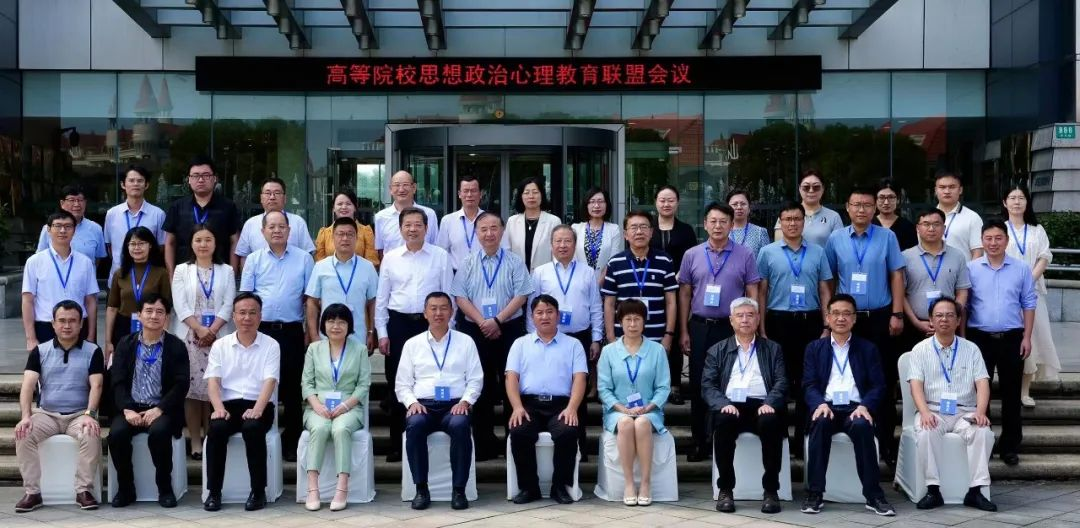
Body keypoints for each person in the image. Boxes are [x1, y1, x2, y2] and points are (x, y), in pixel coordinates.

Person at [825, 186, 906, 464]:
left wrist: (897, 313)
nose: (862, 210)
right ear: (847, 208)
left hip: (880, 317)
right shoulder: (836, 238)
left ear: (875, 208)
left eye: (867, 205)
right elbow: (829, 279)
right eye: (856, 205)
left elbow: (897, 276)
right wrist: (830, 316)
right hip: (845, 320)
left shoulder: (887, 237)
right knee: (847, 376)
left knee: (882, 379)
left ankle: (886, 443)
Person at [678, 203, 761, 462]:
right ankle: (699, 441)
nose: (718, 226)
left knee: (728, 383)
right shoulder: (692, 254)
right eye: (713, 221)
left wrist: (754, 327)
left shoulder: (745, 254)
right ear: (705, 224)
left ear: (731, 224)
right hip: (700, 326)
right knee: (699, 384)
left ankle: (722, 440)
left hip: (731, 328)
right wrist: (684, 329)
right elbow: (684, 294)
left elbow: (753, 291)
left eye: (723, 221)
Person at [801, 294, 894, 516]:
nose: (841, 318)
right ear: (827, 317)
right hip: (827, 407)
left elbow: (878, 385)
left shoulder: (867, 348)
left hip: (856, 408)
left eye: (846, 314)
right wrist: (819, 404)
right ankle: (815, 494)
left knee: (862, 427)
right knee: (820, 424)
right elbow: (809, 384)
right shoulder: (815, 348)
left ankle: (874, 496)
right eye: (836, 313)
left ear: (854, 319)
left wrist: (865, 406)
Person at [450, 212, 533, 457]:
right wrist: (483, 322)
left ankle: (512, 442)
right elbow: (460, 296)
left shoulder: (515, 261)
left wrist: (497, 320)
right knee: (480, 385)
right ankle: (483, 444)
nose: (489, 233)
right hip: (476, 330)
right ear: (476, 233)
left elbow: (522, 295)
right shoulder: (467, 262)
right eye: (483, 229)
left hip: (509, 329)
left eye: (494, 228)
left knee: (511, 383)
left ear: (502, 231)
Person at [375, 207, 454, 462]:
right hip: (399, 324)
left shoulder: (440, 256)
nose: (413, 229)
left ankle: (430, 436)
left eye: (418, 225)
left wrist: (450, 329)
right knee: (398, 382)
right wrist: (382, 332)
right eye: (407, 225)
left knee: (432, 376)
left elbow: (448, 294)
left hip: (431, 323)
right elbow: (382, 299)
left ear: (426, 228)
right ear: (400, 229)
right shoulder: (391, 258)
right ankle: (397, 443)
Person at [757, 200, 832, 459]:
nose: (792, 223)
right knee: (778, 383)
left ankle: (802, 440)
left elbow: (825, 290)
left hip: (810, 321)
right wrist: (761, 328)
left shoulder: (818, 252)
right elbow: (762, 292)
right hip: (778, 322)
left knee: (807, 382)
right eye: (787, 219)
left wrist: (826, 324)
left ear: (804, 222)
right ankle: (779, 440)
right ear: (780, 222)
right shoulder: (767, 252)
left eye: (797, 219)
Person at [907, 296, 997, 512]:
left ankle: (976, 491)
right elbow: (915, 386)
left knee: (982, 432)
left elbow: (983, 383)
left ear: (958, 320)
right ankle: (933, 490)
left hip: (965, 412)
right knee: (927, 431)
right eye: (939, 315)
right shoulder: (920, 349)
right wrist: (924, 412)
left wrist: (980, 412)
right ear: (931, 320)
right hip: (933, 410)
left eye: (950, 315)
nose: (944, 319)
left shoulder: (971, 349)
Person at [14, 301, 104, 513]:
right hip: (46, 414)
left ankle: (83, 490)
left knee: (91, 433)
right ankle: (32, 492)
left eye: (72, 321)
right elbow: (27, 386)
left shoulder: (93, 351)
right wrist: (26, 416)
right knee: (23, 433)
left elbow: (97, 385)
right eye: (61, 321)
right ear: (53, 324)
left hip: (79, 415)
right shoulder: (40, 351)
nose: (67, 325)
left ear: (81, 324)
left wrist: (90, 414)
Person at [397, 292, 483, 511]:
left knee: (461, 426)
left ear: (452, 312)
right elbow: (402, 384)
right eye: (433, 308)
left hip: (455, 405)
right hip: (423, 405)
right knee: (414, 425)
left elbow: (475, 379)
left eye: (444, 308)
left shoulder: (465, 342)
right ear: (425, 313)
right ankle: (421, 489)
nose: (438, 313)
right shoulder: (412, 344)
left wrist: (465, 402)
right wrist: (411, 403)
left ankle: (459, 490)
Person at [238, 210, 314, 460]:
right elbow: (246, 297)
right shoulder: (254, 260)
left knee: (292, 388)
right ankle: (260, 434)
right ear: (263, 232)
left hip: (292, 331)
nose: (277, 230)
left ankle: (292, 441)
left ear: (289, 230)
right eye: (271, 227)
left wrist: (309, 331)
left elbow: (310, 299)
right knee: (261, 384)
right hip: (262, 331)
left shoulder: (304, 259)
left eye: (282, 226)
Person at [702, 297, 787, 515]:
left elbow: (781, 381)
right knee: (723, 421)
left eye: (750, 315)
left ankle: (771, 490)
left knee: (771, 422)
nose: (745, 320)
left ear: (758, 319)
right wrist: (722, 403)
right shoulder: (717, 350)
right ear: (731, 320)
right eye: (739, 316)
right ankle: (726, 489)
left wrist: (770, 403)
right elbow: (708, 385)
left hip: (762, 405)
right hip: (730, 406)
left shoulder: (773, 349)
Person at [530, 224, 604, 461]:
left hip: (579, 337)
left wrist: (596, 338)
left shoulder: (587, 272)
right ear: (551, 245)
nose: (563, 245)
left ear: (575, 244)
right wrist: (532, 338)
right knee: (554, 387)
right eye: (558, 241)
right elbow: (532, 307)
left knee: (578, 392)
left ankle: (580, 446)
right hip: (547, 338)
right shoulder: (540, 272)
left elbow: (596, 307)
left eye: (567, 241)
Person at [966, 219, 1036, 467]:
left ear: (1006, 240)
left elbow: (1029, 303)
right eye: (988, 238)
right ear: (982, 241)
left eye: (998, 238)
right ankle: (982, 441)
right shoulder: (971, 268)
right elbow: (964, 305)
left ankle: (1010, 446)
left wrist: (1027, 337)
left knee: (1011, 393)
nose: (993, 243)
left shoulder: (1021, 268)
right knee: (979, 393)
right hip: (979, 338)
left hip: (1012, 337)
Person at [108, 294, 189, 508]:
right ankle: (126, 489)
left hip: (162, 409)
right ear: (139, 315)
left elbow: (181, 384)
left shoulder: (176, 346)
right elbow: (117, 380)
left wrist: (160, 409)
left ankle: (165, 488)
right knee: (116, 435)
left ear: (167, 317)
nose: (154, 316)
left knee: (160, 433)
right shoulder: (125, 343)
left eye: (160, 312)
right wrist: (127, 409)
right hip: (131, 408)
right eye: (149, 311)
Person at [505, 295, 588, 505]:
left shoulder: (573, 345)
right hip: (528, 404)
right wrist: (517, 407)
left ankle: (559, 487)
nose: (545, 317)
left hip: (561, 405)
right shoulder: (520, 344)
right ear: (532, 317)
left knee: (568, 432)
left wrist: (572, 408)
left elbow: (579, 378)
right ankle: (528, 487)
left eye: (550, 312)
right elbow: (511, 377)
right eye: (539, 313)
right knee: (519, 431)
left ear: (558, 315)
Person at [202, 293, 280, 512]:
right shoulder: (220, 345)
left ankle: (258, 491)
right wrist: (218, 408)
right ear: (233, 316)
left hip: (259, 404)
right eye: (242, 313)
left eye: (252, 313)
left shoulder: (271, 345)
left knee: (252, 428)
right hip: (228, 405)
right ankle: (214, 492)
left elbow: (270, 381)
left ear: (260, 316)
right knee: (217, 429)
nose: (247, 318)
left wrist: (257, 409)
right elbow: (213, 381)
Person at [596, 299, 671, 506]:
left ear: (644, 322)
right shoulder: (609, 352)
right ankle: (629, 483)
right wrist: (622, 409)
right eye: (627, 319)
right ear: (620, 322)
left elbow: (663, 387)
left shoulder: (657, 350)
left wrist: (648, 407)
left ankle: (645, 483)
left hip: (649, 410)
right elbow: (604, 389)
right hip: (617, 411)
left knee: (642, 423)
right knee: (626, 423)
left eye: (637, 319)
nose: (632, 324)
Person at [171, 224, 236, 462]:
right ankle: (196, 441)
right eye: (198, 240)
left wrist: (212, 330)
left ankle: (212, 437)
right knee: (191, 390)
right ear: (191, 243)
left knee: (214, 387)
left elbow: (228, 304)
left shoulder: (227, 270)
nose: (203, 244)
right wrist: (199, 329)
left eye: (208, 240)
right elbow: (180, 304)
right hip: (189, 336)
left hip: (219, 337)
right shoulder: (181, 270)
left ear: (216, 243)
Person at [300, 304, 372, 512]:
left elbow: (363, 385)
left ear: (349, 325)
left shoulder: (359, 350)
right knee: (320, 428)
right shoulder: (314, 349)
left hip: (349, 408)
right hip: (317, 407)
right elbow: (307, 383)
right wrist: (317, 405)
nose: (336, 326)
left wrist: (345, 405)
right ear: (324, 324)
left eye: (341, 322)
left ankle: (342, 487)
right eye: (331, 321)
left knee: (340, 429)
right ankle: (312, 488)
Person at [1002, 186, 1061, 406]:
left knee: (1032, 340)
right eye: (1012, 198)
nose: (1017, 202)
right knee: (1009, 342)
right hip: (1005, 293)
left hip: (1032, 293)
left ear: (1027, 202)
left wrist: (1027, 282)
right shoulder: (1000, 229)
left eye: (1021, 198)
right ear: (1005, 202)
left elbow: (1044, 257)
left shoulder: (1037, 230)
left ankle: (1024, 392)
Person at [22, 211, 100, 349]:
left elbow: (90, 301)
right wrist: (31, 338)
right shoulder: (34, 262)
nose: (63, 230)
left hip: (78, 326)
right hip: (45, 327)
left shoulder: (85, 262)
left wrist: (91, 336)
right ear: (48, 230)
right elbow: (28, 300)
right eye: (57, 226)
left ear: (74, 231)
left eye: (68, 226)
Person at [649, 185, 697, 405]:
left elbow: (691, 258)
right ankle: (651, 385)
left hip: (678, 289)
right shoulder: (648, 227)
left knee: (675, 334)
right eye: (662, 200)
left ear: (677, 203)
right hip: (649, 289)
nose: (666, 204)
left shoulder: (686, 230)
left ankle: (674, 385)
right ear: (656, 202)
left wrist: (676, 276)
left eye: (670, 200)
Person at [603, 211, 678, 347]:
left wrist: (669, 335)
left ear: (651, 232)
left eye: (644, 227)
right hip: (622, 339)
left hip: (657, 338)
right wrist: (611, 337)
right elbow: (609, 304)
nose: (639, 232)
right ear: (625, 234)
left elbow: (671, 302)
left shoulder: (665, 261)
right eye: (634, 227)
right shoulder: (614, 263)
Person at [902, 208, 971, 352]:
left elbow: (962, 291)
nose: (931, 228)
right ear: (918, 228)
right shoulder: (905, 257)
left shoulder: (957, 256)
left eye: (936, 224)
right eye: (926, 224)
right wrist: (915, 322)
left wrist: (952, 317)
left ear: (944, 228)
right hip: (915, 326)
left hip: (948, 326)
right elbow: (900, 294)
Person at [305, 216, 379, 351]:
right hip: (326, 338)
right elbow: (312, 302)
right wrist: (314, 336)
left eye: (350, 234)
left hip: (358, 337)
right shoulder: (321, 266)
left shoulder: (368, 267)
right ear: (333, 237)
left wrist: (371, 332)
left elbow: (373, 302)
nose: (345, 238)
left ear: (356, 238)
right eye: (340, 234)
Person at [163, 155, 242, 278]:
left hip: (219, 275)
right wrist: (172, 276)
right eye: (195, 175)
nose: (200, 180)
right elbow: (169, 243)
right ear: (189, 179)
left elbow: (235, 242)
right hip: (185, 275)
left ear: (214, 178)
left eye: (206, 175)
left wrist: (231, 275)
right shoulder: (177, 207)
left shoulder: (228, 206)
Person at [105, 226, 171, 364]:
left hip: (152, 325)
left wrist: (163, 337)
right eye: (133, 244)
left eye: (141, 243)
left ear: (150, 245)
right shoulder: (120, 274)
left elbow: (167, 310)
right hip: (123, 327)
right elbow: (112, 308)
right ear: (127, 247)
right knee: (123, 368)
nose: (137, 248)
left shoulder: (161, 273)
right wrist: (108, 341)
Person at [235, 177, 316, 273]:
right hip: (259, 281)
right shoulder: (250, 224)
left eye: (277, 193)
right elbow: (244, 256)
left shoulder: (298, 222)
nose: (272, 197)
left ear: (285, 198)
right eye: (268, 193)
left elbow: (308, 254)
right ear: (261, 198)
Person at [103, 165, 167, 285]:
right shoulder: (112, 214)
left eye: (140, 180)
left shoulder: (158, 214)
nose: (135, 184)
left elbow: (161, 247)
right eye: (131, 180)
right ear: (123, 184)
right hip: (119, 279)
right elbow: (110, 247)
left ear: (146, 185)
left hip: (148, 280)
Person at [35, 183, 107, 264]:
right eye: (72, 200)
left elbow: (97, 259)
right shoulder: (49, 228)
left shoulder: (95, 229)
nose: (76, 204)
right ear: (62, 203)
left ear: (85, 202)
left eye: (80, 200)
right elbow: (40, 258)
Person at [373, 170, 439, 258]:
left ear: (414, 188)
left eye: (405, 185)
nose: (401, 189)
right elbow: (380, 250)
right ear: (391, 189)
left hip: (424, 265)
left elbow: (435, 246)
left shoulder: (429, 214)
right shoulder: (380, 217)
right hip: (393, 266)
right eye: (397, 185)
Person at [502, 176, 562, 272]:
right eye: (526, 193)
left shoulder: (553, 221)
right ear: (521, 196)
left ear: (542, 195)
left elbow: (557, 254)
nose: (531, 196)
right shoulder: (512, 221)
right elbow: (507, 252)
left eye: (535, 192)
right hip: (518, 276)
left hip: (545, 276)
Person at [773, 169, 844, 247]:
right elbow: (778, 246)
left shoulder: (833, 217)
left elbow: (839, 248)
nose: (811, 190)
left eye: (816, 187)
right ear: (799, 188)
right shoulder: (787, 214)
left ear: (823, 189)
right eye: (806, 187)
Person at [314, 189, 380, 266]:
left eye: (348, 204)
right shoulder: (324, 234)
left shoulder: (366, 232)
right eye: (340, 204)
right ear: (333, 208)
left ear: (355, 207)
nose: (344, 207)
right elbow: (320, 264)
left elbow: (372, 263)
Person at [572, 187, 623, 282]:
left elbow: (613, 260)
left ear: (606, 205)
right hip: (579, 281)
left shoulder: (614, 229)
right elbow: (573, 258)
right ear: (586, 205)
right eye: (592, 202)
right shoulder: (575, 229)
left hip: (605, 281)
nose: (596, 205)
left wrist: (599, 283)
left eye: (600, 201)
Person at [437, 175, 485, 272]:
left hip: (485, 274)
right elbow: (442, 252)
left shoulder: (490, 220)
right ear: (459, 194)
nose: (469, 195)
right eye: (466, 191)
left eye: (473, 191)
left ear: (480, 194)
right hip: (456, 274)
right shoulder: (448, 221)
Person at [934, 170, 983, 259]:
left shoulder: (972, 217)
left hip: (962, 268)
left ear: (960, 190)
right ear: (936, 190)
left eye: (952, 187)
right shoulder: (927, 218)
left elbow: (978, 252)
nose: (947, 191)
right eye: (942, 187)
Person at [872, 179, 917, 251]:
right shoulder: (868, 225)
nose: (886, 202)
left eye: (891, 197)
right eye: (881, 197)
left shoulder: (907, 227)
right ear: (875, 200)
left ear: (898, 200)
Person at [727, 190, 770, 257]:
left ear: (749, 208)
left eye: (743, 204)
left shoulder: (760, 232)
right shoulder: (720, 231)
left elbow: (766, 259)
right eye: (735, 204)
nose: (739, 207)